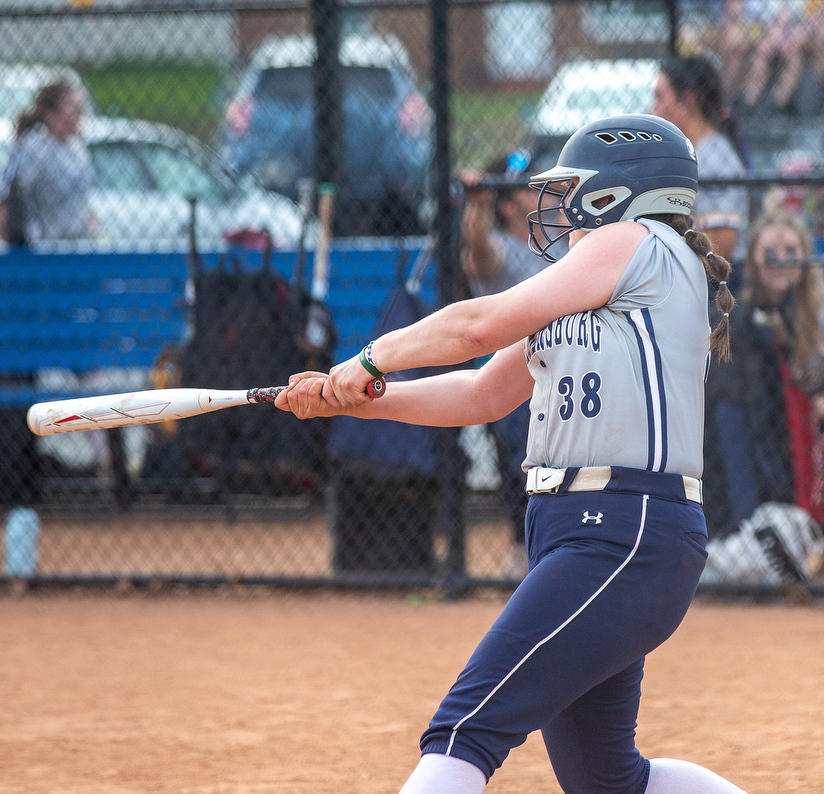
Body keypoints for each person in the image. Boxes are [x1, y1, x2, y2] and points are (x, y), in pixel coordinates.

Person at [275, 114, 749, 793]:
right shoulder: (588, 291)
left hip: (622, 532)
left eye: (573, 191)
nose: (553, 209)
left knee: (465, 730)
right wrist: (356, 397)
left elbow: (480, 322)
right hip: (583, 535)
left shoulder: (639, 245)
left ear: (621, 196)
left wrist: (372, 356)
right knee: (607, 779)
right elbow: (480, 395)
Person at [704, 207, 824, 541]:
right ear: (754, 258)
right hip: (748, 420)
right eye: (769, 252)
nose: (780, 260)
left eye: (790, 251)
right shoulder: (736, 305)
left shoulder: (809, 308)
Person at [459, 150, 549, 576]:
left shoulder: (560, 243)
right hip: (513, 378)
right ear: (508, 205)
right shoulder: (495, 248)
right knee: (518, 468)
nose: (538, 192)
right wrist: (477, 204)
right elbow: (476, 250)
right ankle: (522, 548)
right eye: (526, 188)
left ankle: (547, 549)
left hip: (560, 374)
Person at [653, 54, 749, 273]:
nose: (654, 107)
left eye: (660, 97)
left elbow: (721, 246)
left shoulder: (714, 156)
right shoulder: (687, 151)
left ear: (688, 100)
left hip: (718, 287)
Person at [0, 79, 97, 245]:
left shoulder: (78, 149)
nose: (79, 113)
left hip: (78, 242)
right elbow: (4, 198)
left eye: (80, 107)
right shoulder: (35, 147)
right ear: (49, 113)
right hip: (43, 246)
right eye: (72, 106)